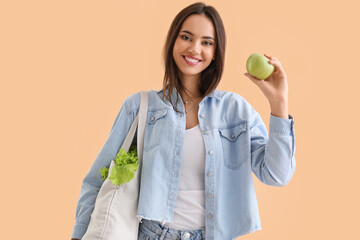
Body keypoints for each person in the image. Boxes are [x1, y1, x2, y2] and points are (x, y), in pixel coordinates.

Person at [71, 2, 296, 240]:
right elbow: (98, 179)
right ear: (172, 42)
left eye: (207, 42)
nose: (194, 49)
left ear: (216, 52)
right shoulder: (139, 107)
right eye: (186, 37)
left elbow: (277, 175)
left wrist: (279, 102)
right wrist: (78, 234)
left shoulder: (235, 110)